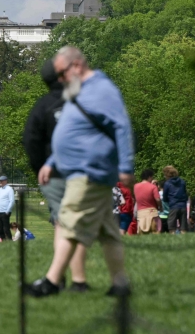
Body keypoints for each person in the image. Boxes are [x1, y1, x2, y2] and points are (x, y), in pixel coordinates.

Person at [28, 46, 135, 298]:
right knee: (109, 233)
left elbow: (122, 127)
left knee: (67, 223)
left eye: (62, 74)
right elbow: (74, 131)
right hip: (79, 168)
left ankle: (52, 282)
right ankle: (120, 284)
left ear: (76, 65)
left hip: (89, 170)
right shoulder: (80, 91)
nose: (60, 80)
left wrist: (126, 167)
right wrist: (52, 161)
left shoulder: (102, 90)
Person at [23, 58, 66, 224]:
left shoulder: (42, 106)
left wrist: (40, 168)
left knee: (61, 221)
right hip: (81, 172)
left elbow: (30, 141)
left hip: (53, 173)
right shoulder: (82, 101)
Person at [133, 169, 160, 235]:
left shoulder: (135, 186)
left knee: (142, 233)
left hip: (141, 212)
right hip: (152, 212)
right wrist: (160, 206)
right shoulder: (153, 187)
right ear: (149, 177)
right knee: (155, 232)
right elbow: (158, 199)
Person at [162, 167, 187, 234]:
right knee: (183, 228)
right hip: (183, 206)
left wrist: (168, 201)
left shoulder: (167, 183)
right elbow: (185, 193)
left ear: (167, 175)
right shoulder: (182, 182)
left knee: (172, 228)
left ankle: (173, 242)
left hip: (173, 206)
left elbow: (164, 197)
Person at [0, 176, 15, 241]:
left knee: (6, 228)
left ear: (6, 181)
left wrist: (7, 211)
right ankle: (3, 241)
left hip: (5, 212)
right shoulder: (0, 189)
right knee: (0, 228)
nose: (0, 182)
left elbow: (12, 201)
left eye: (2, 181)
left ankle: (9, 241)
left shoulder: (9, 189)